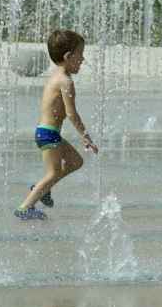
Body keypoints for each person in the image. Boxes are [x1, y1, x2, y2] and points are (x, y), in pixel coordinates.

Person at [14, 29, 99, 220]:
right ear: (68, 56)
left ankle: (42, 189)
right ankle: (25, 207)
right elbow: (71, 113)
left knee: (75, 162)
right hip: (48, 134)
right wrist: (85, 137)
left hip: (48, 132)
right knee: (53, 173)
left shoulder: (55, 76)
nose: (83, 60)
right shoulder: (66, 81)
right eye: (80, 55)